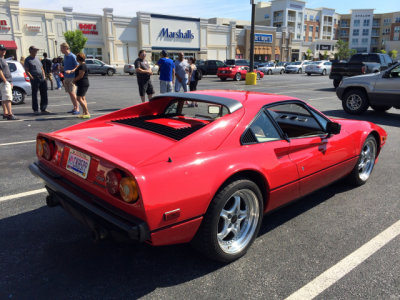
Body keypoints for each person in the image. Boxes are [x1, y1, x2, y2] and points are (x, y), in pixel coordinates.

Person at [24, 45, 50, 115]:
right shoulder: (27, 60)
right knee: (34, 94)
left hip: (42, 78)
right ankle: (35, 109)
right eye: (34, 50)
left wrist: (44, 76)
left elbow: (41, 68)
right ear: (30, 51)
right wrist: (31, 77)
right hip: (35, 78)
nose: (36, 51)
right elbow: (27, 70)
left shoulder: (38, 59)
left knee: (44, 93)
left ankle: (43, 108)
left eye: (36, 50)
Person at [60, 42, 79, 114]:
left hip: (72, 77)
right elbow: (67, 66)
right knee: (70, 93)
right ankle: (74, 107)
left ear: (66, 48)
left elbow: (77, 66)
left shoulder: (72, 56)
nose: (61, 50)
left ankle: (77, 108)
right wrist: (63, 68)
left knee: (73, 93)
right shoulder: (65, 56)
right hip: (66, 77)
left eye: (62, 48)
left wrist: (71, 71)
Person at [0, 44, 17, 120]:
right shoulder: (0, 59)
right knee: (8, 98)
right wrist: (5, 80)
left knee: (4, 98)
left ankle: (5, 113)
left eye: (4, 49)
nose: (4, 51)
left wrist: (10, 81)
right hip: (4, 81)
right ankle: (10, 114)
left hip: (6, 81)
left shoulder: (3, 59)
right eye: (2, 50)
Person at [71, 53, 90, 119]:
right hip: (83, 83)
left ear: (78, 59)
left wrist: (74, 80)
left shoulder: (82, 66)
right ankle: (84, 113)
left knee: (78, 98)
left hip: (83, 83)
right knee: (82, 98)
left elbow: (80, 75)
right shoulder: (81, 65)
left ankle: (87, 112)